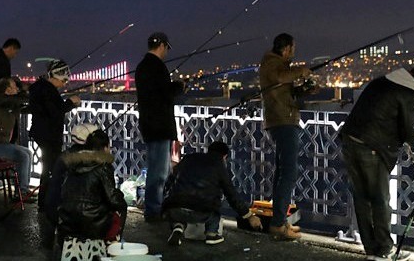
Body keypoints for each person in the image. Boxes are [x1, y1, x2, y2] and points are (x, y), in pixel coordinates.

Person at [340, 67, 414, 261]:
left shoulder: (381, 81)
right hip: (372, 147)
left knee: (362, 197)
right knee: (380, 198)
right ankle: (384, 249)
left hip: (350, 140)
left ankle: (371, 248)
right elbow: (409, 131)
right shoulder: (410, 92)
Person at [259, 33, 314, 240]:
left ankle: (278, 221)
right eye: (293, 48)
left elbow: (283, 89)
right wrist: (301, 71)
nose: (294, 52)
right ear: (287, 48)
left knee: (283, 170)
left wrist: (304, 91)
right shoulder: (272, 64)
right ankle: (279, 223)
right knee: (289, 172)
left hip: (283, 118)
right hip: (282, 121)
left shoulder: (276, 64)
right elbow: (281, 77)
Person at [162, 141, 263, 246]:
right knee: (214, 212)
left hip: (175, 207)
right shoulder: (219, 165)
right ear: (224, 156)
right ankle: (212, 234)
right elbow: (232, 195)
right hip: (201, 211)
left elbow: (170, 180)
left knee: (178, 211)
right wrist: (249, 216)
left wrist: (166, 202)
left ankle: (178, 227)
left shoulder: (188, 158)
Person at [134, 32, 185, 222]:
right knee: (159, 172)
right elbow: (164, 93)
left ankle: (154, 206)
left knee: (158, 169)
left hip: (149, 124)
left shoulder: (142, 67)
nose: (167, 52)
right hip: (159, 125)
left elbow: (154, 93)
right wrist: (179, 86)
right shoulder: (158, 67)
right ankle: (153, 210)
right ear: (162, 46)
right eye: (167, 48)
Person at [56, 125, 127, 242]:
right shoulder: (103, 166)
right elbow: (113, 199)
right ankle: (111, 245)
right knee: (120, 207)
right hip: (93, 226)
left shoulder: (73, 163)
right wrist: (121, 196)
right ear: (104, 148)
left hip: (66, 221)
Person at [28, 59, 81, 209]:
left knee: (48, 167)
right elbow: (55, 112)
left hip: (40, 132)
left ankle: (45, 201)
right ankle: (48, 203)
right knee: (52, 169)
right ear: (57, 76)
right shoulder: (47, 91)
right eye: (64, 80)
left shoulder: (39, 87)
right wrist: (71, 102)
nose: (65, 83)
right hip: (49, 135)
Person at [0, 77, 34, 201]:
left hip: (0, 144)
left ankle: (23, 189)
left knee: (28, 152)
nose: (17, 89)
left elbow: (23, 105)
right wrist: (27, 91)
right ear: (8, 89)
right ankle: (21, 193)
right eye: (15, 87)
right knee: (23, 156)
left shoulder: (9, 102)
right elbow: (19, 100)